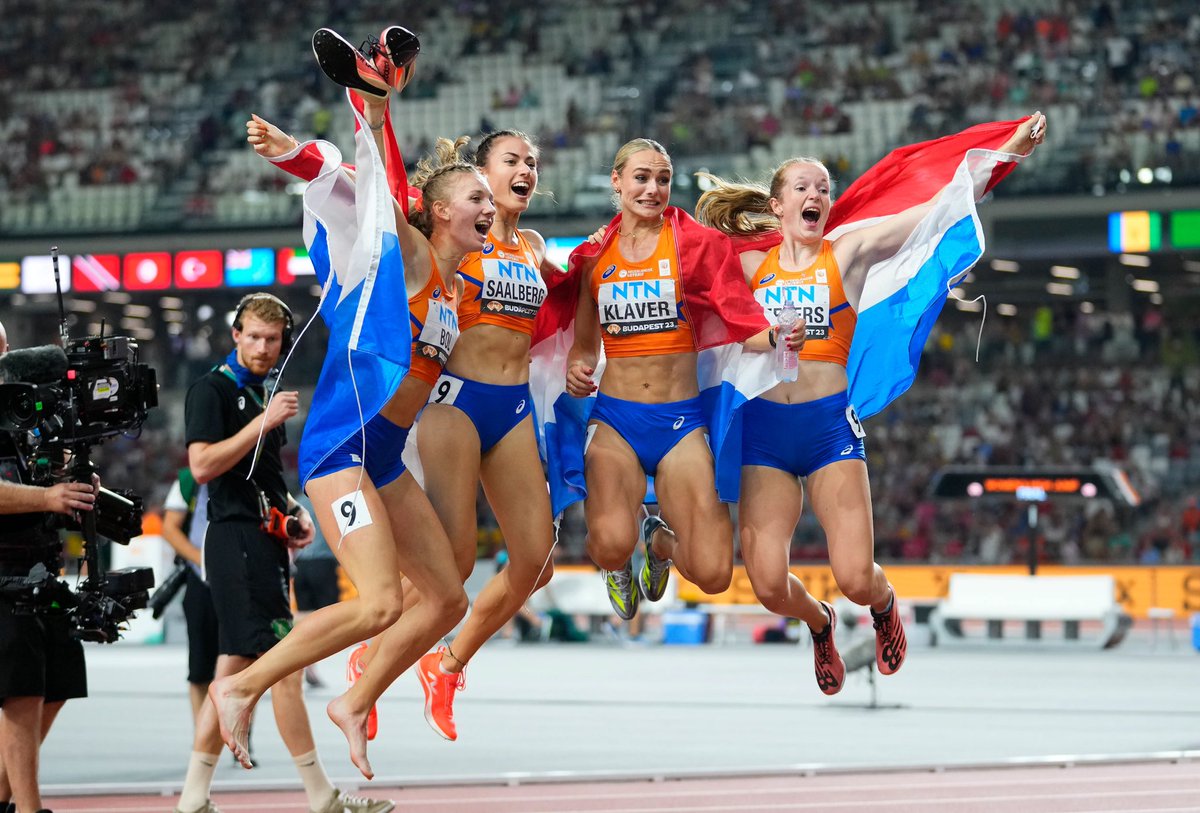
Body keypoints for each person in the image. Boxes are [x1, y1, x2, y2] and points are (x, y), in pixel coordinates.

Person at [250, 66, 560, 743]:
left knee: (515, 566)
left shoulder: (527, 251)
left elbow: (565, 313)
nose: (526, 170)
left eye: (533, 162)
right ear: (465, 185)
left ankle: (425, 666)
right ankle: (299, 672)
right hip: (435, 412)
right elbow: (377, 200)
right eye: (510, 161)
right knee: (420, 584)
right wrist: (363, 114)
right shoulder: (427, 250)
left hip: (489, 414)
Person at [210, 27, 487, 782]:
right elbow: (362, 187)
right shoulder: (408, 252)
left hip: (386, 459)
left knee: (446, 599)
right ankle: (242, 681)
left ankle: (354, 700)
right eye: (475, 197)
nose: (488, 207)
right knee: (375, 606)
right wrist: (374, 107)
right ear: (433, 210)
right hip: (340, 451)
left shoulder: (460, 289)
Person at [694, 113, 1048, 693]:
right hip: (763, 433)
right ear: (778, 206)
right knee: (766, 585)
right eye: (803, 188)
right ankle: (820, 622)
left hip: (828, 427)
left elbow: (937, 210)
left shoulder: (850, 252)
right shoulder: (748, 265)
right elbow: (686, 270)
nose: (816, 195)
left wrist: (1006, 152)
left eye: (824, 188)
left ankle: (882, 607)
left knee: (857, 576)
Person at [561, 138, 801, 620]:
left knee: (713, 575)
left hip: (681, 422)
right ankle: (618, 564)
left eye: (663, 179)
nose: (653, 189)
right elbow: (585, 347)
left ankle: (659, 542)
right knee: (608, 544)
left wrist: (777, 337)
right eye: (642, 177)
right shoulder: (592, 258)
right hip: (616, 420)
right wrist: (576, 369)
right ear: (617, 181)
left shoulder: (696, 246)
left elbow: (742, 322)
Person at [174, 293, 390, 813]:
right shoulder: (213, 391)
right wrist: (263, 423)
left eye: (273, 340)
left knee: (233, 671)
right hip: (233, 539)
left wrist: (294, 512)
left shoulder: (264, 391)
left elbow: (264, 475)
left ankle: (192, 797)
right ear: (235, 335)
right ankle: (321, 798)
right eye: (253, 337)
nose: (263, 347)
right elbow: (201, 466)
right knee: (282, 669)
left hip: (265, 540)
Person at [0, 320, 92, 813]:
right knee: (22, 695)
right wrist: (48, 494)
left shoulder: (21, 414)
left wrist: (67, 478)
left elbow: (37, 477)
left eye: (4, 350)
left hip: (41, 569)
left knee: (57, 685)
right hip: (3, 574)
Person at [160, 468, 219, 724]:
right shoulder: (187, 479)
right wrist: (202, 562)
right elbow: (170, 528)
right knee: (200, 668)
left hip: (241, 580)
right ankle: (202, 736)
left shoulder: (250, 468)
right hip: (200, 582)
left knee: (243, 662)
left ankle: (242, 736)